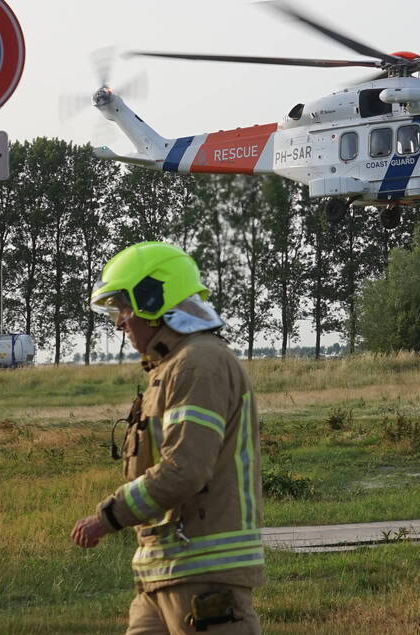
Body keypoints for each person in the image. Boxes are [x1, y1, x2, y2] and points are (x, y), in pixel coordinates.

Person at [71, 242, 264, 634]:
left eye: (123, 308)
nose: (119, 322)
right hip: (162, 572)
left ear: (153, 300)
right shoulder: (171, 367)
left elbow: (185, 469)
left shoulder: (200, 363)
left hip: (204, 574)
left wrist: (109, 516)